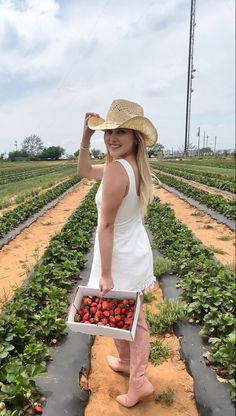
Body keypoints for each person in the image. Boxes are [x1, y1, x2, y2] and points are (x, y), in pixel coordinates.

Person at [77, 98, 158, 408]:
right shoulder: (126, 166)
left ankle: (139, 381)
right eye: (108, 131)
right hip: (132, 248)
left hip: (120, 254)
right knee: (127, 313)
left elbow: (107, 225)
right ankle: (126, 363)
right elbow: (85, 170)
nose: (112, 137)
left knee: (134, 320)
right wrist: (85, 138)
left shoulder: (116, 171)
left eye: (121, 132)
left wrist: (107, 272)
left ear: (135, 137)